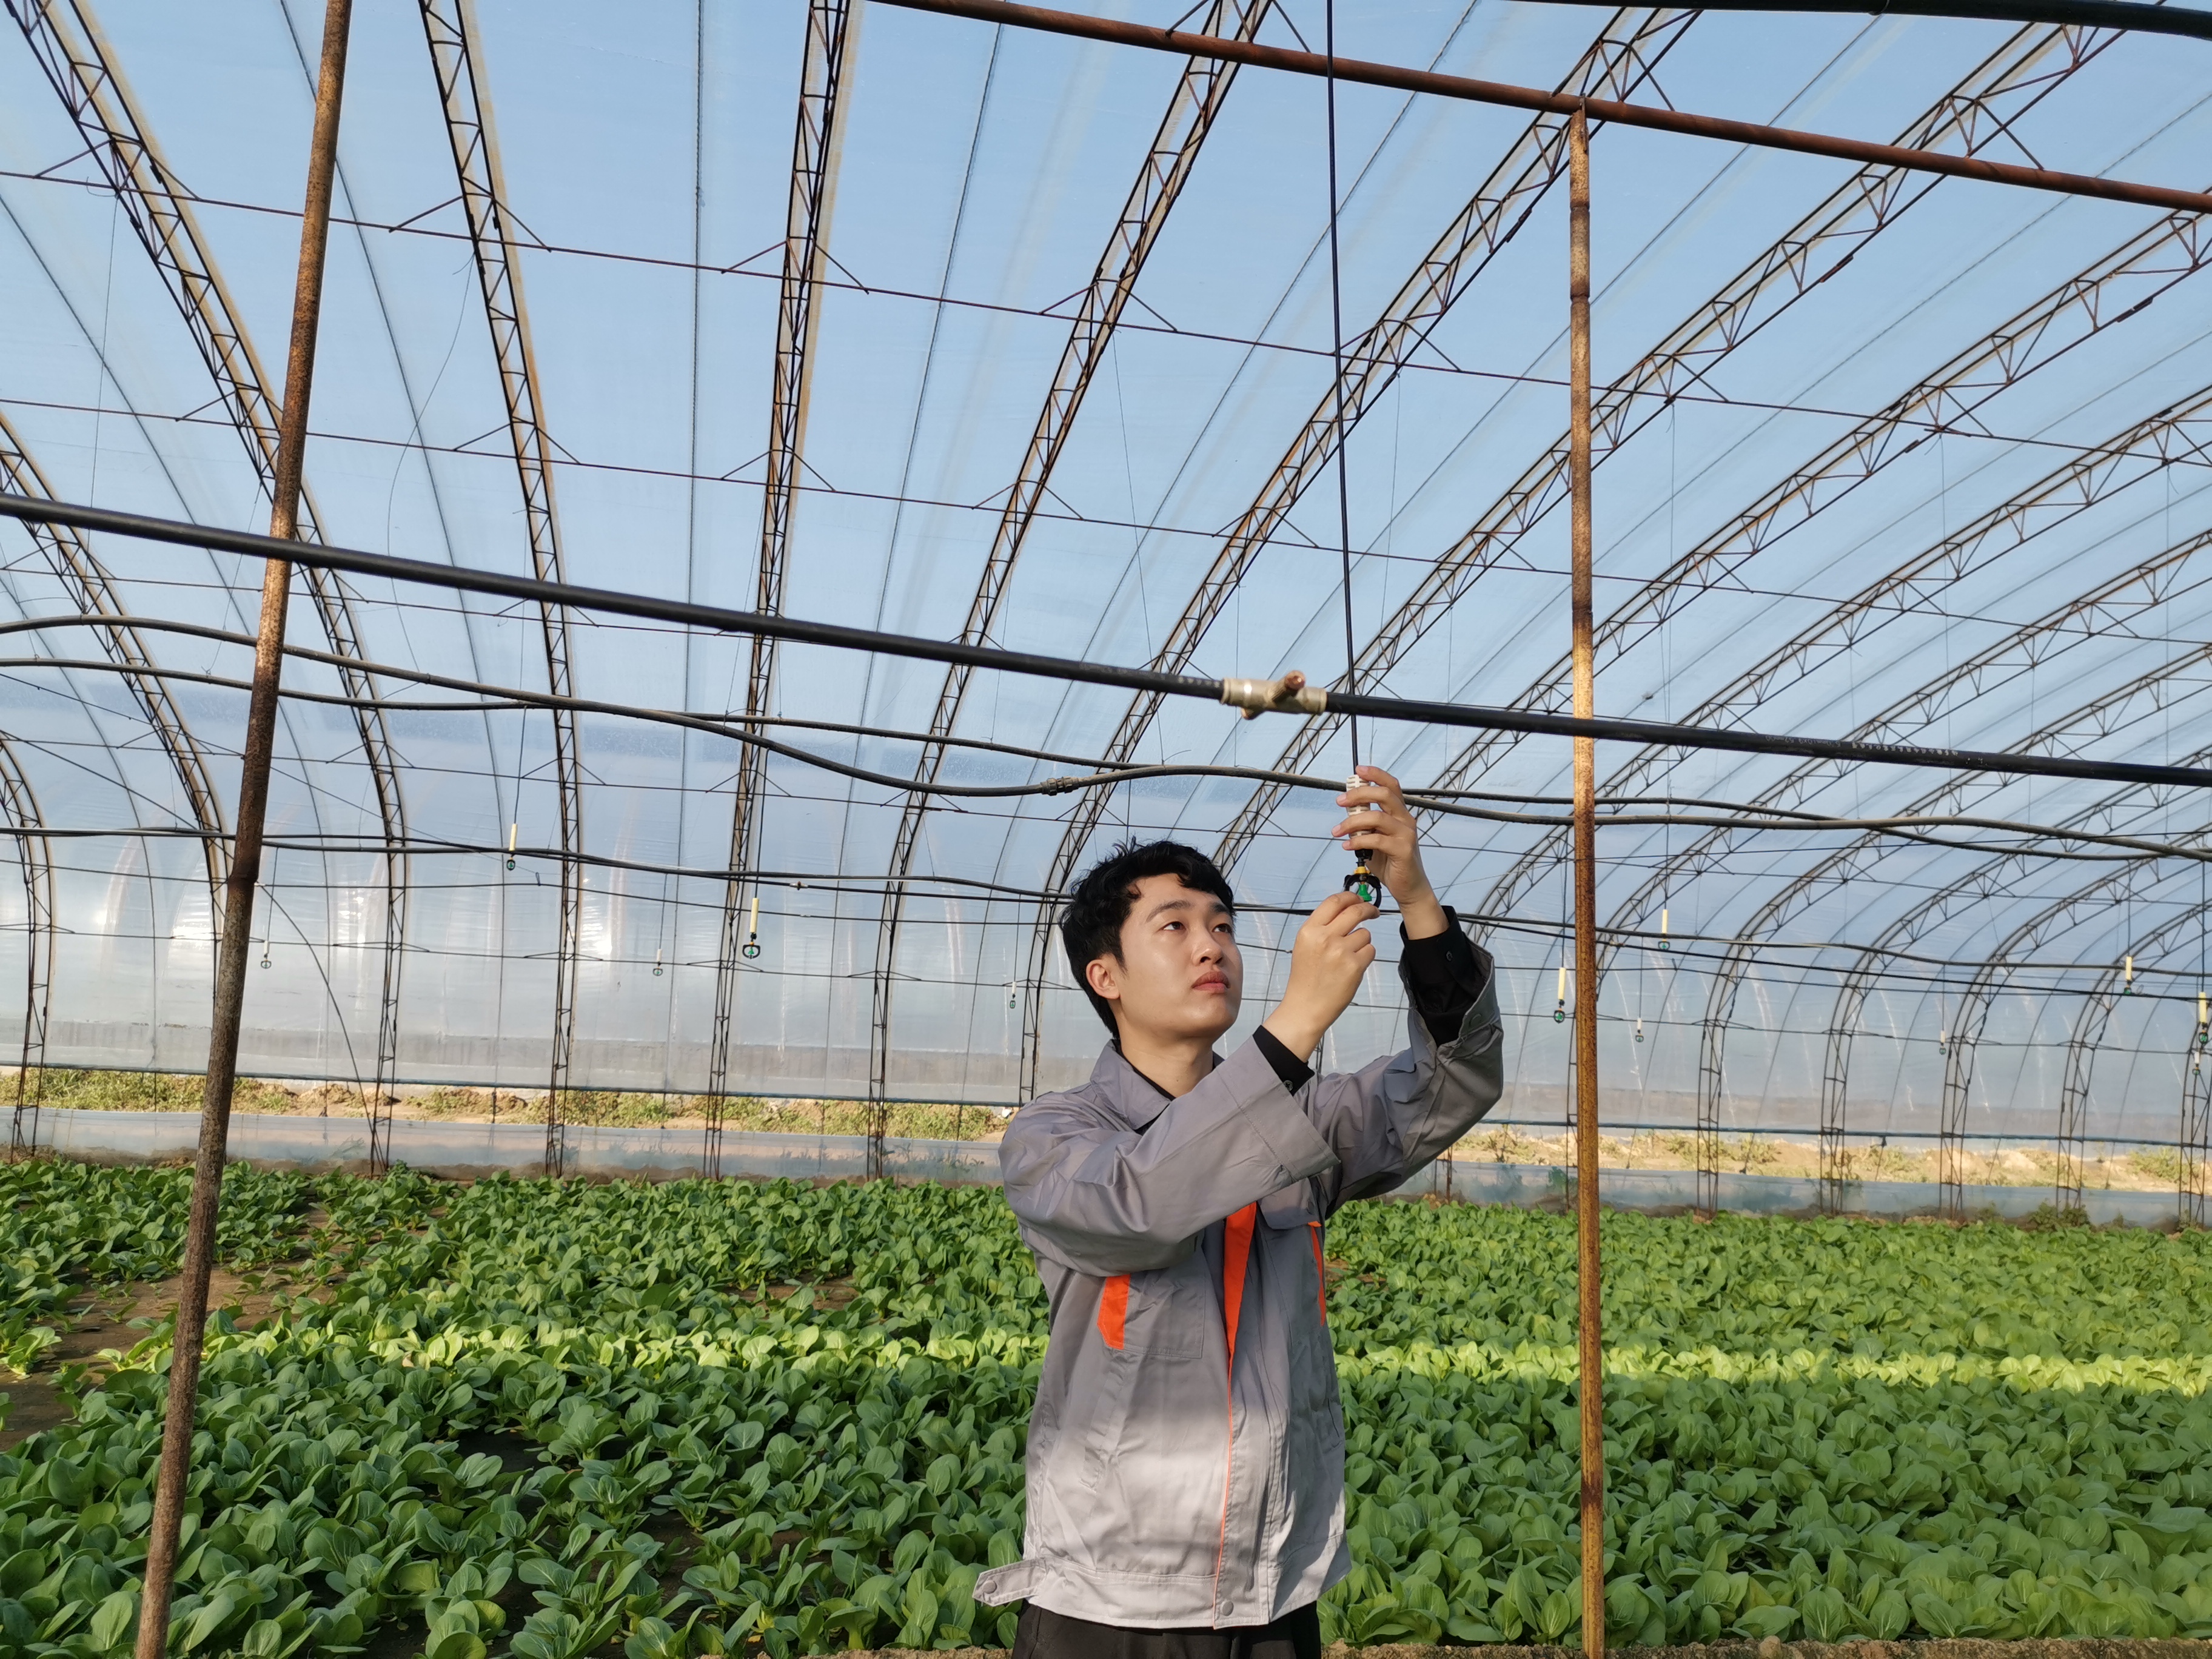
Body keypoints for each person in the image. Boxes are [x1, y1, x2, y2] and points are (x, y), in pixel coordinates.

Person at [974, 765, 1504, 1659]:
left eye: (1222, 925)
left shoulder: (1304, 1118)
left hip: (1273, 1584)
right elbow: (1138, 1204)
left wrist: (1418, 904)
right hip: (1112, 1595)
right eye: (1175, 926)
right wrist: (1292, 1028)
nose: (1210, 946)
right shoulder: (1056, 1136)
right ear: (1105, 975)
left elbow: (1452, 1085)